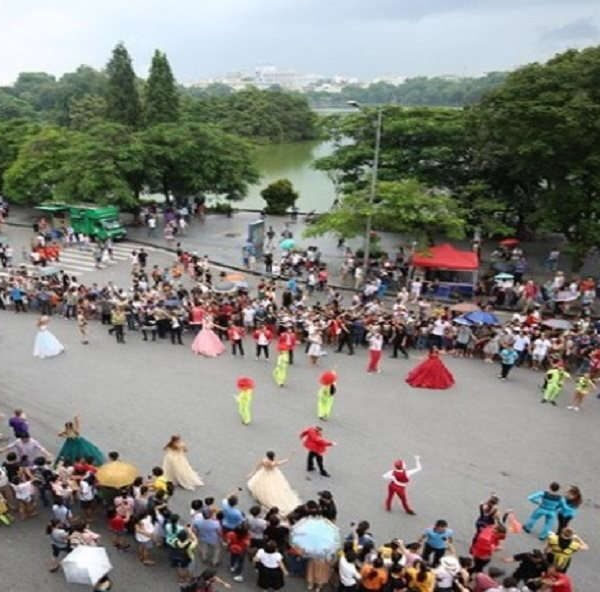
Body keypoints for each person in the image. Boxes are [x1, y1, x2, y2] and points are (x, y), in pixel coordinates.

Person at [246, 451, 301, 516]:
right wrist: (290, 456)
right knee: (276, 488)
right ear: (273, 456)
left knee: (263, 485)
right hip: (273, 474)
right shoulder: (273, 463)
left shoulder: (264, 460)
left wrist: (252, 473)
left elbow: (258, 466)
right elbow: (283, 462)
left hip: (264, 473)